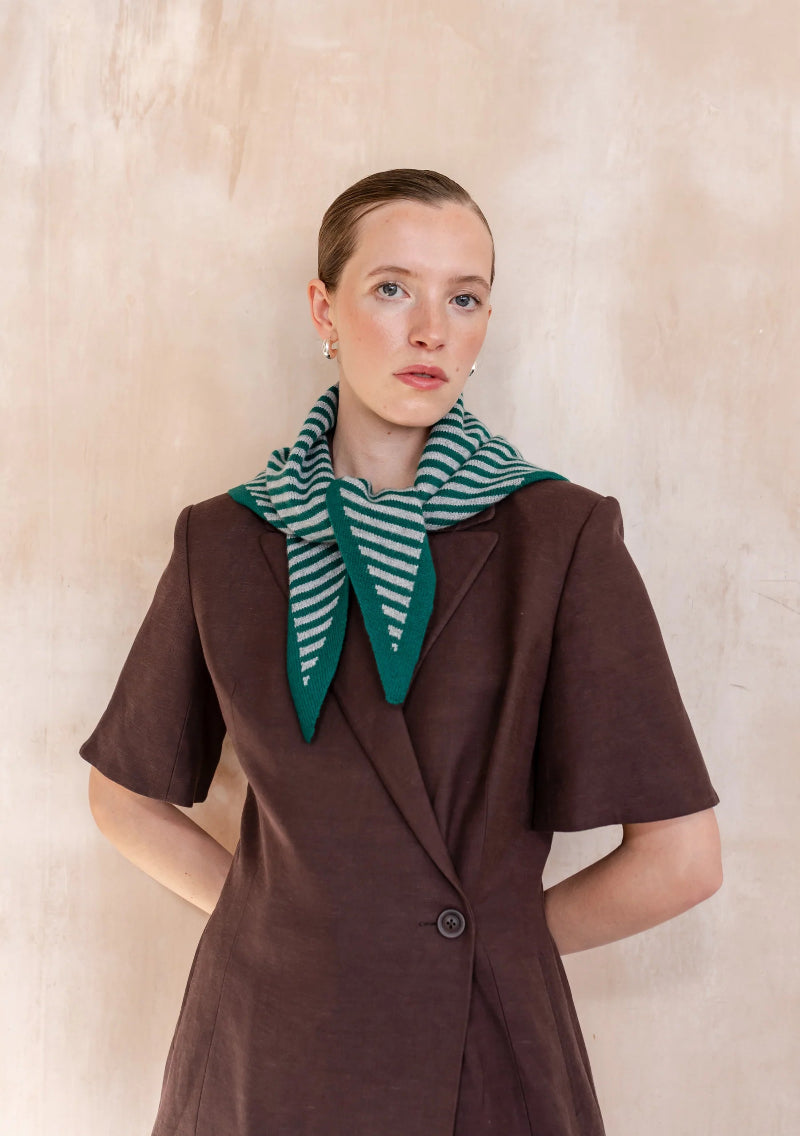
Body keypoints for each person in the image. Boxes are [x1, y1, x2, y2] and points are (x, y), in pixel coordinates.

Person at [82, 168, 722, 1136]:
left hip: (483, 1047)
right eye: (392, 288)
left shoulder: (558, 536)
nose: (431, 329)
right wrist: (278, 916)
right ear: (322, 309)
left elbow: (680, 857)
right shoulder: (223, 539)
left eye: (462, 297)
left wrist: (475, 946)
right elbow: (121, 793)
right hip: (265, 1049)